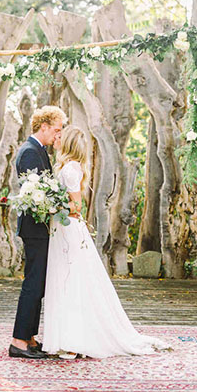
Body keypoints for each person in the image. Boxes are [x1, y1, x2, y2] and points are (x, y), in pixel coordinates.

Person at [42, 126, 170, 359]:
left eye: (61, 136)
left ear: (69, 142)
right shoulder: (64, 165)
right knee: (62, 281)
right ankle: (64, 336)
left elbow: (77, 207)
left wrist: (51, 207)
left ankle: (75, 341)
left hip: (69, 231)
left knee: (73, 283)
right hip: (60, 230)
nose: (56, 138)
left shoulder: (71, 169)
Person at [9, 105, 67, 359]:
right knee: (33, 284)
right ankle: (19, 341)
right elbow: (35, 195)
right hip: (35, 229)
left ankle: (30, 338)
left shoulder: (39, 151)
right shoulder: (30, 152)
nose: (59, 135)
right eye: (56, 129)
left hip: (40, 229)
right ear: (43, 127)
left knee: (39, 284)